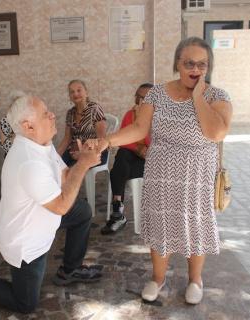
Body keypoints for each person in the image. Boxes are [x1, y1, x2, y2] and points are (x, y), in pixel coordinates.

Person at [94, 37, 233, 304]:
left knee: (195, 227)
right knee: (160, 227)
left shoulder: (217, 96)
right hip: (160, 174)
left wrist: (197, 97)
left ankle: (195, 279)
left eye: (202, 64)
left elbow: (216, 132)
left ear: (209, 67)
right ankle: (158, 278)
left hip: (197, 177)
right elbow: (138, 129)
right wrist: (108, 140)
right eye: (188, 63)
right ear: (177, 64)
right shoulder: (156, 93)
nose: (195, 68)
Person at [0, 93, 103, 314]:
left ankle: (70, 270)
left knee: (82, 212)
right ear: (28, 126)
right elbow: (60, 205)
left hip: (44, 218)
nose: (52, 115)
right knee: (25, 304)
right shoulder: (29, 161)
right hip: (26, 241)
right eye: (45, 114)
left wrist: (81, 161)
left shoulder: (43, 144)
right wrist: (84, 165)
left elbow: (65, 177)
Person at [101, 83, 153, 235]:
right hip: (132, 156)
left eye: (147, 98)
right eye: (140, 97)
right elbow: (124, 140)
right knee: (122, 156)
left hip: (150, 161)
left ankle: (118, 214)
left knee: (119, 170)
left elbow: (153, 147)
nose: (143, 101)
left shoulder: (159, 118)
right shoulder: (130, 115)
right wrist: (138, 148)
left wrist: (143, 147)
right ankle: (118, 210)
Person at [57, 79, 107, 166]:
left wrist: (83, 154)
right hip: (74, 152)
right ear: (70, 96)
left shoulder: (94, 109)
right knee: (57, 165)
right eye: (72, 92)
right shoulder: (70, 113)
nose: (75, 94)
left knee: (71, 170)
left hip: (95, 151)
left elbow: (102, 139)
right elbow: (67, 139)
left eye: (79, 90)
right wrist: (55, 156)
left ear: (86, 92)